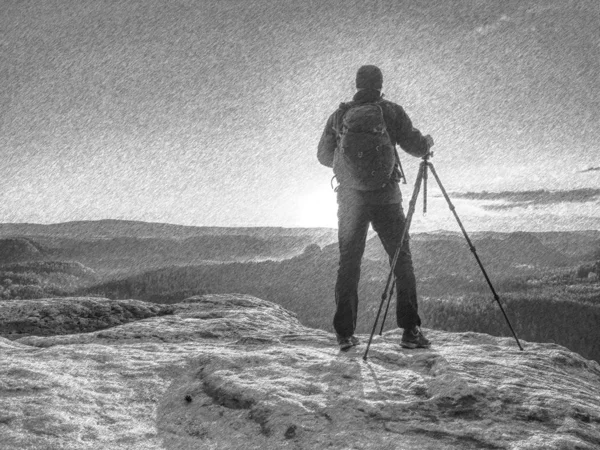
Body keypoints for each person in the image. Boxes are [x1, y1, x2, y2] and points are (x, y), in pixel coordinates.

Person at [317, 65, 434, 351]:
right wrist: (427, 143)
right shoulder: (391, 112)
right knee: (400, 260)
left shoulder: (340, 115)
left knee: (349, 263)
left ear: (356, 84)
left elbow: (322, 155)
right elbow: (415, 146)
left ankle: (345, 334)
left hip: (351, 201)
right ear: (380, 85)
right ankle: (410, 332)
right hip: (386, 198)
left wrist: (351, 167)